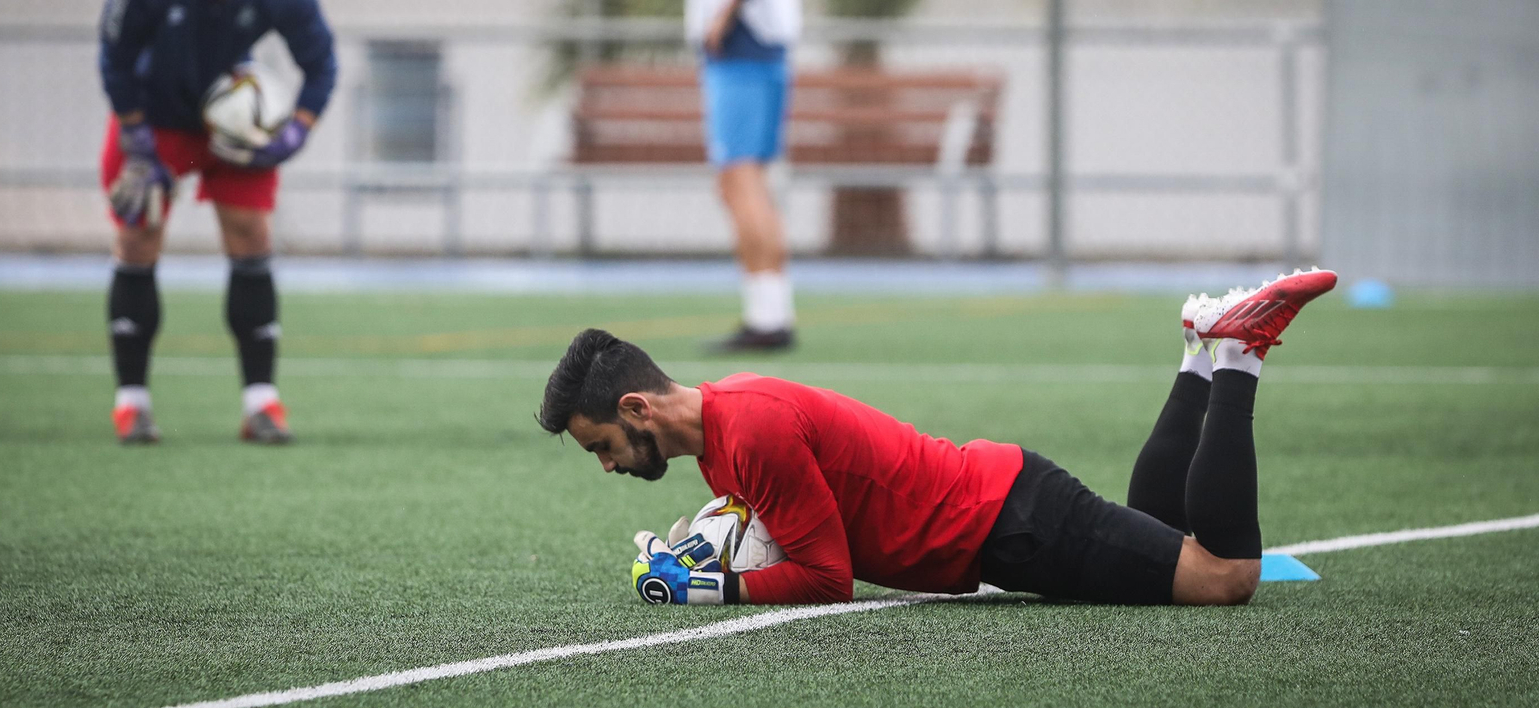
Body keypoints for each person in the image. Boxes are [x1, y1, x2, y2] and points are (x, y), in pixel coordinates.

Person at [537, 269, 1338, 605]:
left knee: (1224, 575)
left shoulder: (750, 432)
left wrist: (718, 585)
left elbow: (828, 577)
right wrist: (717, 536)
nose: (608, 465)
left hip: (1009, 521)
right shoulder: (725, 424)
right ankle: (1200, 349)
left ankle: (1239, 355)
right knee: (1170, 537)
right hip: (1003, 506)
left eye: (601, 443)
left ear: (637, 406)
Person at [98, 0, 338, 445]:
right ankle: (132, 405)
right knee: (137, 234)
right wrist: (135, 140)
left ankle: (262, 406)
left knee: (252, 234)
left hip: (232, 126)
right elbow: (114, 56)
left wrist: (295, 133)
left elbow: (322, 65)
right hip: (153, 119)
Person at [684, 0, 805, 352]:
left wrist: (721, 15)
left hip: (742, 51)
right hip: (765, 48)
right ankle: (771, 310)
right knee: (746, 179)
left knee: (739, 179)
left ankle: (767, 320)